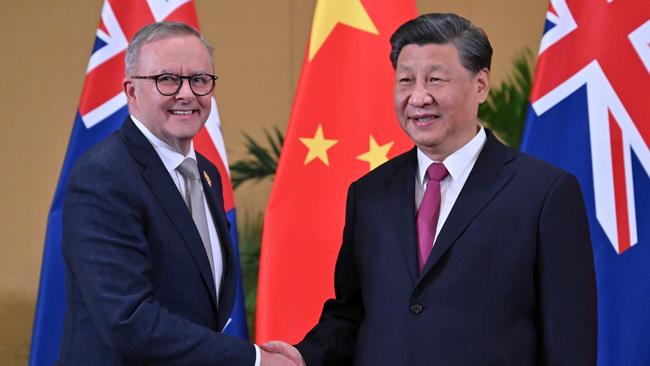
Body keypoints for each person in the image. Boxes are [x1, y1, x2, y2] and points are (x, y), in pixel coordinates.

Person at [263, 13, 597, 366]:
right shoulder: (369, 194)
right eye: (406, 80)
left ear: (480, 85)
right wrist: (303, 356)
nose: (418, 97)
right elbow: (353, 314)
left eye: (435, 79)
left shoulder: (544, 193)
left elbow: (569, 338)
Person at [59, 22, 297, 365]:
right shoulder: (104, 176)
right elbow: (129, 321)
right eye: (166, 79)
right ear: (131, 91)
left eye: (199, 79)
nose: (186, 93)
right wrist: (254, 359)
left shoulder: (206, 174)